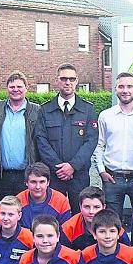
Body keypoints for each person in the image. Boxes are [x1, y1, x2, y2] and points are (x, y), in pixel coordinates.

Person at [35, 63, 98, 213]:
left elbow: (91, 141)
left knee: (81, 217)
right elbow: (41, 140)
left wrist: (72, 166)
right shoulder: (45, 110)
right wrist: (59, 167)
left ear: (77, 81)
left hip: (79, 175)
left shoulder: (87, 109)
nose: (67, 82)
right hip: (54, 175)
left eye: (71, 79)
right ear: (57, 81)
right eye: (64, 79)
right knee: (53, 217)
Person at [94, 72, 133, 221]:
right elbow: (99, 145)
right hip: (112, 178)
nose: (125, 90)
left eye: (129, 86)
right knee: (111, 223)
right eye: (121, 86)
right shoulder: (105, 116)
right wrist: (101, 171)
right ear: (116, 89)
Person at [0, 71, 41, 201]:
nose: (15, 90)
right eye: (12, 87)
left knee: (25, 213)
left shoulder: (37, 112)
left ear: (26, 88)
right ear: (7, 88)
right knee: (2, 214)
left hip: (27, 175)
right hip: (1, 176)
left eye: (19, 87)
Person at [60, 186, 130, 251]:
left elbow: (127, 255)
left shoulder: (115, 227)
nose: (91, 212)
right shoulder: (68, 228)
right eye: (87, 207)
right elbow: (63, 257)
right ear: (80, 207)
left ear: (103, 207)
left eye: (96, 207)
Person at [16, 163, 72, 228]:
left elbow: (66, 231)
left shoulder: (61, 201)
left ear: (48, 182)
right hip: (25, 238)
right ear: (26, 183)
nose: (37, 187)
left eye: (42, 182)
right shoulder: (18, 201)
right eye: (33, 182)